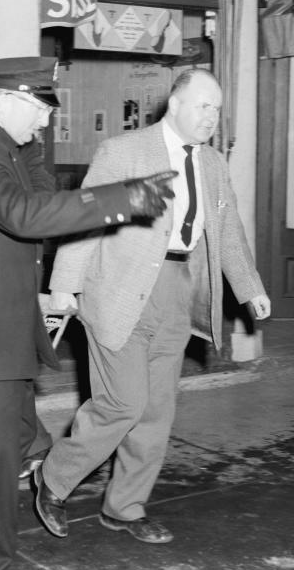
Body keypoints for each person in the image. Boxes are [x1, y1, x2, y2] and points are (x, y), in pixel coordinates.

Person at [0, 56, 177, 570]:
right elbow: (25, 216)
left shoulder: (2, 148)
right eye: (39, 107)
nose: (46, 120)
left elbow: (37, 203)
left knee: (4, 448)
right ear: (6, 99)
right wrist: (125, 197)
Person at [33, 68, 270, 545]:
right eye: (204, 106)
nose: (212, 117)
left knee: (157, 409)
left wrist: (250, 288)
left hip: (178, 289)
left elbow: (227, 233)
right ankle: (53, 478)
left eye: (218, 109)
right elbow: (87, 220)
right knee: (124, 402)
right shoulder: (123, 151)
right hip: (118, 288)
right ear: (176, 104)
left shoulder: (213, 165)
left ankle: (124, 507)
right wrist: (65, 286)